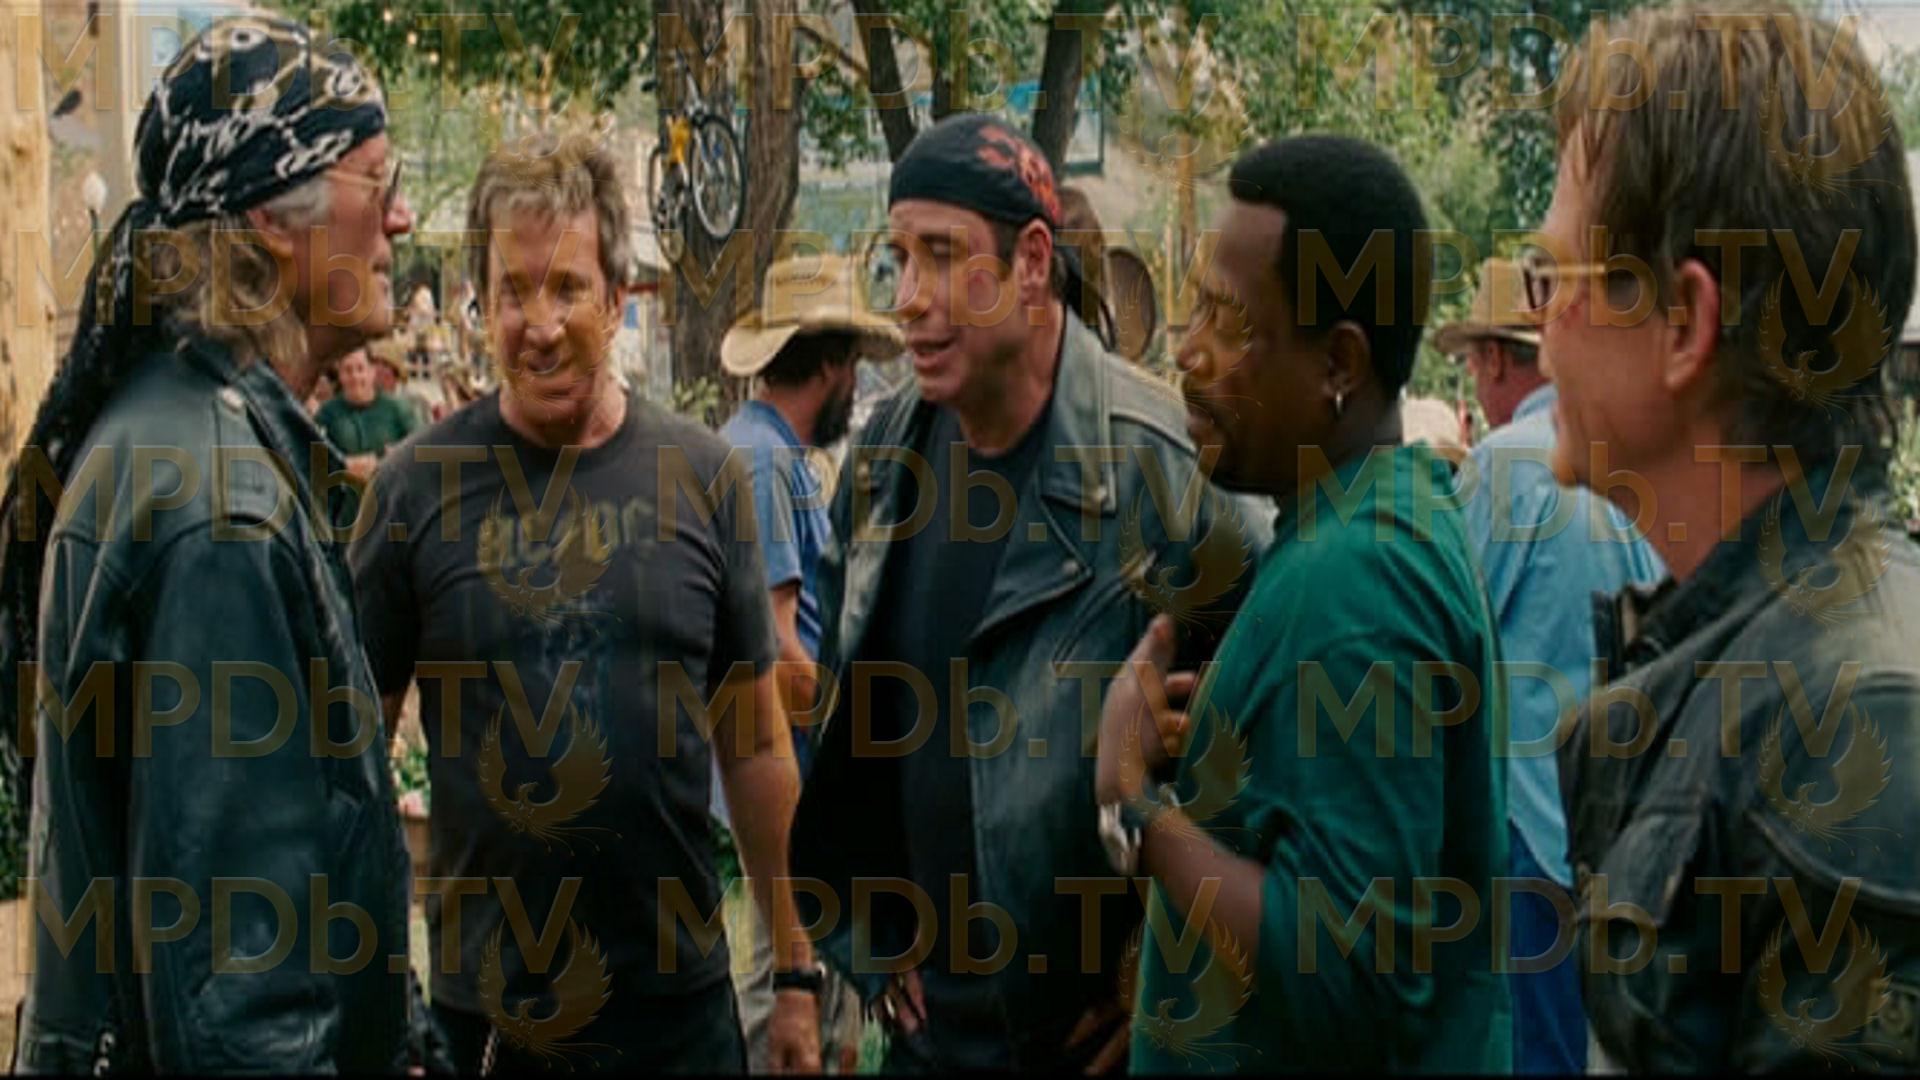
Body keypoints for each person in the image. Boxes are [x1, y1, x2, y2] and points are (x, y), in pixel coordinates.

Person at [790, 114, 1263, 1073]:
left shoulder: (1164, 473)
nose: (909, 299)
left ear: (1034, 263)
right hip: (924, 1040)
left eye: (943, 257)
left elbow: (1272, 758)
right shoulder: (885, 460)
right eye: (899, 260)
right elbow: (844, 708)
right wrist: (870, 931)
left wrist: (1165, 964)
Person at [350, 128, 821, 1074]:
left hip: (676, 1018)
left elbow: (756, 746)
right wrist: (369, 995)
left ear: (616, 297)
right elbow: (348, 760)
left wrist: (797, 974)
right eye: (513, 290)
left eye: (566, 287)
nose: (539, 323)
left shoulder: (705, 479)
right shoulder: (411, 493)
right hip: (489, 1027)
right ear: (480, 300)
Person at [0, 15, 418, 1071]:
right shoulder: (220, 514)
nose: (401, 217)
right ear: (275, 220)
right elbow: (241, 1007)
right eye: (380, 179)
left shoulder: (175, 432)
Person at [1544, 6, 1920, 1071]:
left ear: (1684, 322)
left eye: (1557, 278)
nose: (1543, 326)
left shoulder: (1855, 725)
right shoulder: (1771, 657)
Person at [1098, 135, 1512, 1073]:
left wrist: (1131, 803)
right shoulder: (1354, 528)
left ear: (1339, 364)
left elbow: (1352, 984)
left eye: (1227, 322)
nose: (1187, 353)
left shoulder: (1359, 578)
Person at [1436, 257, 1665, 1074]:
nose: (1475, 379)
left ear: (1497, 360)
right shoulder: (1631, 457)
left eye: (1474, 363)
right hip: (1621, 827)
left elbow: (1449, 637)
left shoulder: (1505, 466)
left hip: (1527, 825)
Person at [715, 252, 903, 1073]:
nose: (857, 384)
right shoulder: (764, 464)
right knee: (787, 1010)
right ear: (830, 364)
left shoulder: (763, 451)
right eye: (853, 364)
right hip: (787, 788)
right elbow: (775, 652)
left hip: (797, 786)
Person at [317, 346, 419, 477]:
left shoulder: (397, 409)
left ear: (372, 372)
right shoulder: (327, 413)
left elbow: (421, 450)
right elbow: (312, 458)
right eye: (348, 370)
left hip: (388, 485)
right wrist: (344, 465)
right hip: (345, 486)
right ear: (340, 375)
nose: (355, 376)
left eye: (360, 369)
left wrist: (391, 459)